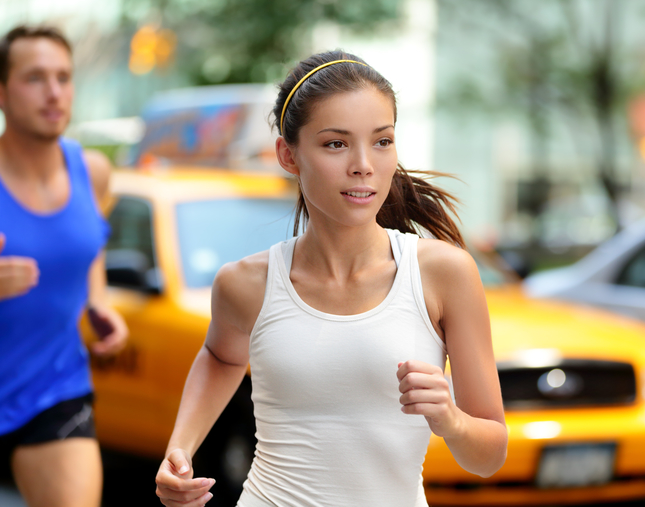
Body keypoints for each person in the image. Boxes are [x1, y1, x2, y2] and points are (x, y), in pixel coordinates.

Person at [154, 51, 507, 507]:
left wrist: (450, 420)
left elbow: (489, 456)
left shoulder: (444, 274)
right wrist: (180, 449)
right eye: (336, 144)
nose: (364, 164)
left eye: (382, 142)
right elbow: (221, 358)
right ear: (289, 154)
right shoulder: (246, 284)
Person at [0, 25, 129, 507]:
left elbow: (89, 241)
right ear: (2, 92)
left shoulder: (91, 172)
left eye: (63, 77)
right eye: (35, 78)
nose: (54, 93)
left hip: (52, 389)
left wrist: (98, 300)